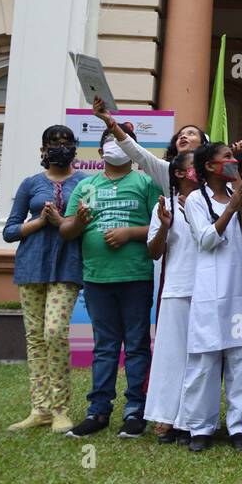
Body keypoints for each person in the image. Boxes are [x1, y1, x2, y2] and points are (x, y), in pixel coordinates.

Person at [59, 125, 161, 439]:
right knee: (104, 347)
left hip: (135, 276)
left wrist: (130, 233)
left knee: (136, 346)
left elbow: (162, 226)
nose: (113, 146)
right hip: (97, 277)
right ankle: (98, 411)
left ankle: (135, 411)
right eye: (108, 142)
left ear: (132, 151)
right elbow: (66, 231)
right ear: (100, 152)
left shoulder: (146, 182)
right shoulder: (86, 185)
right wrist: (78, 221)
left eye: (120, 142)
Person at [3, 124, 87, 433]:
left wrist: (62, 221)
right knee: (35, 338)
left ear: (74, 149)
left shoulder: (85, 182)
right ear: (43, 150)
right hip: (31, 266)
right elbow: (10, 231)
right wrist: (40, 222)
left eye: (66, 142)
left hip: (67, 265)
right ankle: (40, 409)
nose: (60, 147)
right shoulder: (30, 184)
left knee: (54, 332)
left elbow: (87, 224)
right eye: (53, 142)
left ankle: (61, 408)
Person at [180, 142, 242, 452]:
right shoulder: (196, 200)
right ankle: (200, 428)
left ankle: (239, 427)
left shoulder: (239, 194)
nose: (233, 160)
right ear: (210, 166)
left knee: (241, 360)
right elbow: (207, 239)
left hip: (239, 293)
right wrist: (231, 206)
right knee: (204, 362)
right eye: (226, 157)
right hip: (210, 294)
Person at [143, 149, 200, 444]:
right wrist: (164, 227)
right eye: (194, 166)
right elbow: (154, 252)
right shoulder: (165, 208)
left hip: (207, 290)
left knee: (199, 360)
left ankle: (191, 421)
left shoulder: (211, 203)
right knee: (170, 357)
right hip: (177, 289)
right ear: (179, 173)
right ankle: (165, 417)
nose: (199, 170)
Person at [92, 96, 207, 191]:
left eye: (191, 133)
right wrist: (109, 121)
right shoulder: (166, 170)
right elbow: (134, 150)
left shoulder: (211, 173)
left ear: (203, 144)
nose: (183, 136)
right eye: (180, 135)